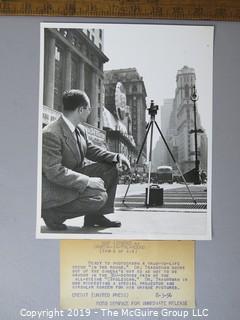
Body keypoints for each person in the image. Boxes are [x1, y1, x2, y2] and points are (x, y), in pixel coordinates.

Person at [41, 89, 130, 231]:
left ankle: (95, 217)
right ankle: (53, 214)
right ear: (81, 109)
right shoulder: (51, 133)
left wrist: (117, 157)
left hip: (71, 177)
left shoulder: (80, 129)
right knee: (99, 197)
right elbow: (54, 172)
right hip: (56, 186)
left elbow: (92, 150)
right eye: (89, 108)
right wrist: (88, 181)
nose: (90, 111)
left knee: (111, 168)